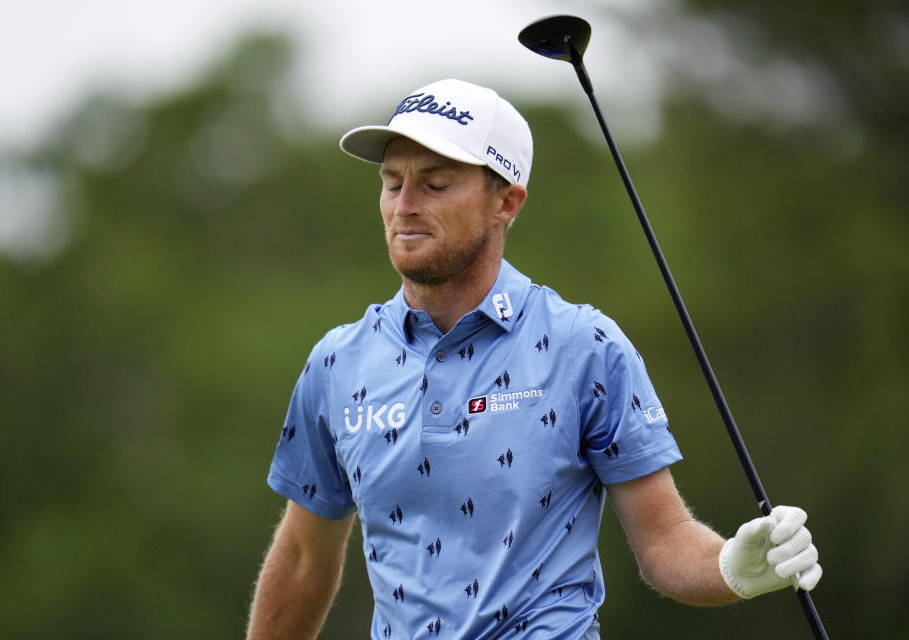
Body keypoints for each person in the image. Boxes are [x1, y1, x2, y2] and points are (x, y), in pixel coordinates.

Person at [246, 79, 822, 640]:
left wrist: (730, 569)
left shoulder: (584, 346)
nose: (405, 206)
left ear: (506, 201)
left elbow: (664, 540)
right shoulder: (338, 363)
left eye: (435, 184)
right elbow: (302, 555)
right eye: (392, 183)